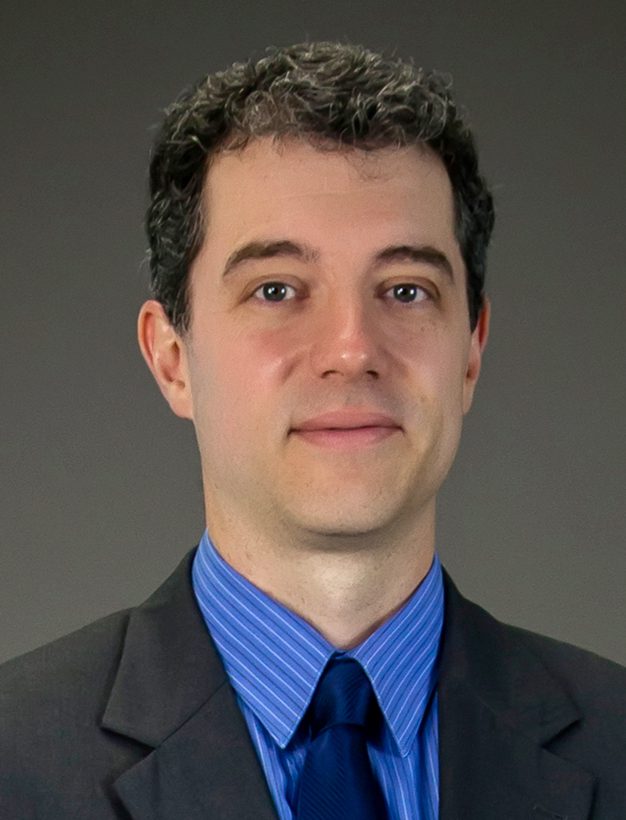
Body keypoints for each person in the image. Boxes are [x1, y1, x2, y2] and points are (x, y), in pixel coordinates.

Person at [0, 41, 624, 820]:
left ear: (470, 351)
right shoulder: (14, 760)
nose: (352, 350)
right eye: (276, 289)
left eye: (405, 289)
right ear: (172, 359)